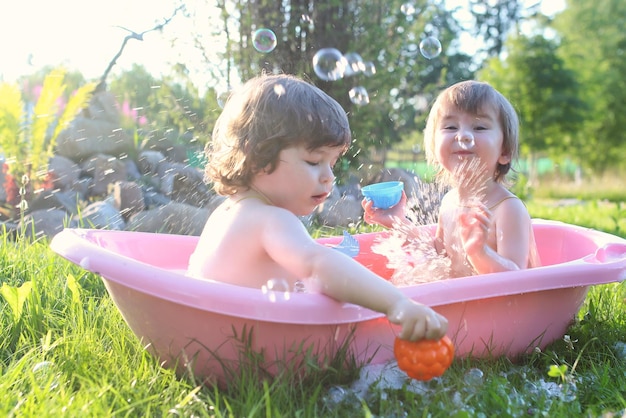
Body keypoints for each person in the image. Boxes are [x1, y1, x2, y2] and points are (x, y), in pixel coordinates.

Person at [188, 73, 448, 342]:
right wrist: (397, 303)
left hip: (212, 333)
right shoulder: (271, 219)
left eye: (332, 164)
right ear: (257, 157)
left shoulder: (226, 212)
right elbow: (317, 265)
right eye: (313, 161)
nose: (328, 177)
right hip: (257, 343)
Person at [363, 80, 541, 278]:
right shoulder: (449, 202)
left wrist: (479, 253)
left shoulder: (507, 209)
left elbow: (519, 281)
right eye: (450, 127)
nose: (463, 135)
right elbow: (437, 256)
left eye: (480, 127)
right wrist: (398, 222)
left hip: (507, 308)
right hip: (466, 304)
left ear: (505, 151)